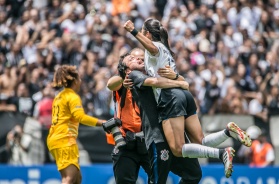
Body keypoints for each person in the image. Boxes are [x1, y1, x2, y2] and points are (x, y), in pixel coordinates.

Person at [124, 18, 252, 178]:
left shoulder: (155, 47)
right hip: (184, 95)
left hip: (170, 97)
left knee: (178, 148)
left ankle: (222, 153)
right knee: (201, 141)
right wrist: (180, 81)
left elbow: (151, 48)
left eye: (143, 33)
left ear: (147, 34)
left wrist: (132, 31)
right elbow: (181, 80)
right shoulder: (165, 50)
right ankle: (227, 132)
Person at [47, 65, 105, 184]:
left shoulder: (59, 96)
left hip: (55, 139)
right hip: (65, 139)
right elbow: (80, 117)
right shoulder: (72, 96)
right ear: (74, 80)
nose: (80, 81)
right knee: (69, 178)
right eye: (79, 78)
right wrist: (102, 123)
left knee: (77, 179)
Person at [106, 48, 151, 184]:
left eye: (141, 59)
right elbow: (110, 84)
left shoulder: (152, 81)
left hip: (148, 142)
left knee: (158, 179)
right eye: (132, 59)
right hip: (126, 143)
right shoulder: (121, 84)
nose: (138, 60)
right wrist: (123, 80)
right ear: (127, 70)